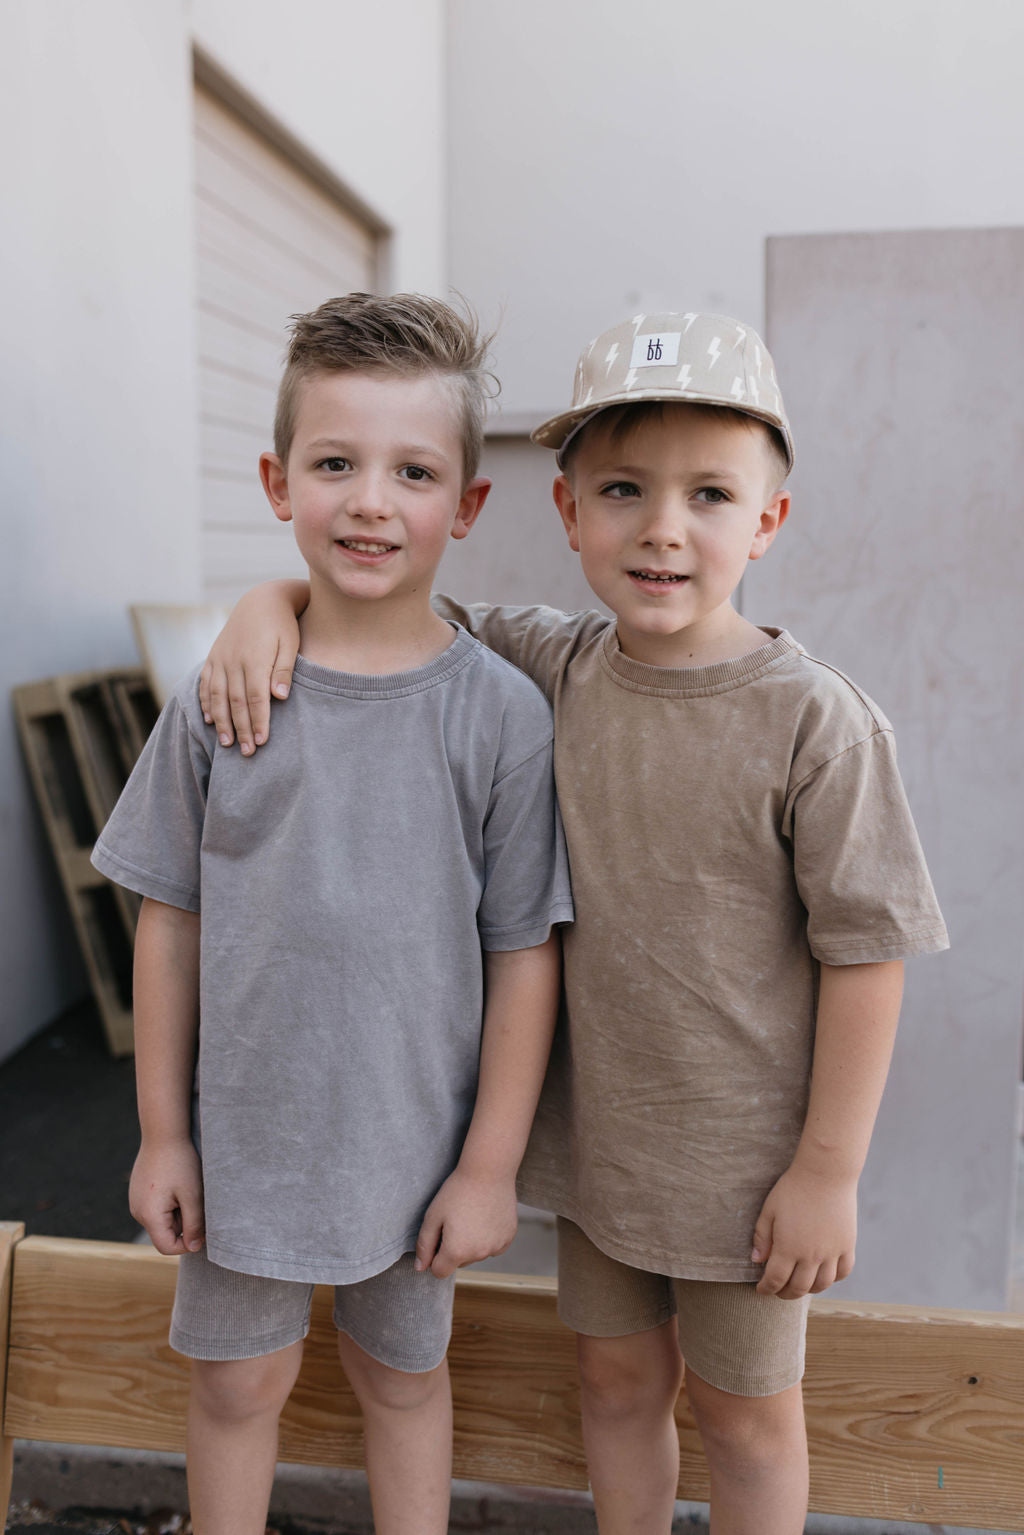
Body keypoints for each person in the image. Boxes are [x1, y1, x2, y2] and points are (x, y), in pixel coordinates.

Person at [198, 309, 948, 1535]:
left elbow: (867, 951)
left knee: (748, 1415)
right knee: (614, 1384)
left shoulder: (818, 722)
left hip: (748, 1173)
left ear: (767, 521)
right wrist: (264, 600)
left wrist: (828, 1170)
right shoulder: (552, 662)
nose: (662, 525)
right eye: (622, 489)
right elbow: (378, 597)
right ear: (566, 513)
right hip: (594, 1156)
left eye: (710, 493)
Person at [91, 292, 573, 1535]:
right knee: (239, 1382)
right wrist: (161, 1134)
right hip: (245, 1139)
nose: (370, 499)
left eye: (412, 471)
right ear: (277, 480)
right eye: (336, 463)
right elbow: (171, 918)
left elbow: (524, 953)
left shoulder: (502, 717)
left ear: (465, 505)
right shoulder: (225, 695)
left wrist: (489, 1167)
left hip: (418, 1148)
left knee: (401, 1380)